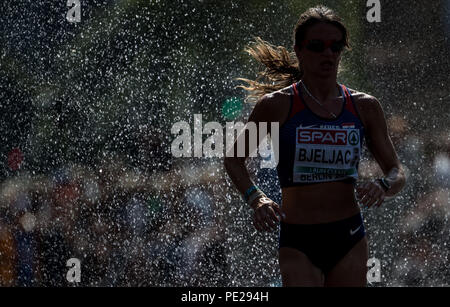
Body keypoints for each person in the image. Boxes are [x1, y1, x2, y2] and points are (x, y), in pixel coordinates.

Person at [224, 5, 406, 287]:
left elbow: (397, 171)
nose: (328, 54)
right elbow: (234, 159)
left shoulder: (365, 107)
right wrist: (255, 198)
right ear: (299, 50)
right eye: (318, 46)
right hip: (299, 238)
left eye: (336, 47)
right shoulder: (276, 106)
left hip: (349, 234)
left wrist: (383, 184)